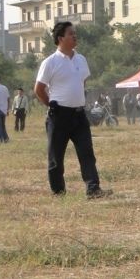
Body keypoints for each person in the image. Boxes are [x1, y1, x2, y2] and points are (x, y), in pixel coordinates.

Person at [34, 21, 111, 198]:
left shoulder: (81, 59)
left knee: (87, 154)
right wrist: (51, 104)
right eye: (71, 34)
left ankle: (93, 189)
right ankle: (58, 192)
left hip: (79, 115)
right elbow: (38, 89)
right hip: (59, 116)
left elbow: (81, 82)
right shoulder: (50, 62)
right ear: (60, 38)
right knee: (56, 157)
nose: (75, 36)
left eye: (75, 33)